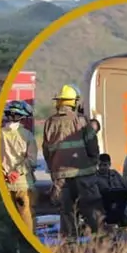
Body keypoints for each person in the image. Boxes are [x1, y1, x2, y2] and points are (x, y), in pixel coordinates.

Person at [41, 84, 103, 237]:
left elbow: (46, 149)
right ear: (74, 102)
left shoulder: (49, 123)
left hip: (61, 176)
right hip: (84, 173)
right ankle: (100, 240)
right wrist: (94, 161)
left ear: (59, 102)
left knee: (67, 211)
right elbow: (92, 145)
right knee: (90, 207)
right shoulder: (80, 120)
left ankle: (70, 245)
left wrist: (54, 170)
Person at [0, 100, 38, 230]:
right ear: (22, 117)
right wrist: (16, 172)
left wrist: (6, 173)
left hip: (4, 183)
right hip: (23, 183)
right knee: (26, 215)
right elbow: (32, 160)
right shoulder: (27, 135)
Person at [96, 153, 127, 226]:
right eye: (100, 165)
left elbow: (125, 187)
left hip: (120, 204)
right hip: (104, 207)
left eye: (104, 165)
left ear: (109, 164)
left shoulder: (115, 173)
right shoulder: (95, 177)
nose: (102, 167)